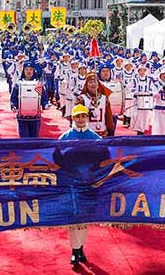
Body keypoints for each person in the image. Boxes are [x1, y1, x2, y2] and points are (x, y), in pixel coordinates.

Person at [58, 104, 101, 266]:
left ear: (88, 118)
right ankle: (74, 250)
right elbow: (57, 159)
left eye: (83, 116)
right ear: (73, 118)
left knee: (84, 218)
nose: (81, 119)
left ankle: (81, 248)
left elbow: (103, 160)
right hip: (71, 183)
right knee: (73, 218)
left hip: (89, 183)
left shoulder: (95, 138)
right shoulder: (65, 137)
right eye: (78, 116)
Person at [10, 61, 48, 138]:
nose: (28, 71)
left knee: (35, 138)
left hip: (35, 117)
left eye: (30, 69)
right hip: (22, 117)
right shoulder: (18, 84)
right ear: (23, 71)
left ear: (33, 71)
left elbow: (44, 98)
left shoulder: (38, 84)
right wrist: (14, 106)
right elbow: (13, 98)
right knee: (24, 138)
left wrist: (45, 105)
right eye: (26, 69)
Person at [76, 72, 114, 137]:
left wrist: (110, 130)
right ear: (86, 85)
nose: (93, 84)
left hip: (102, 132)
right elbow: (77, 117)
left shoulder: (104, 99)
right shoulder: (81, 99)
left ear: (98, 84)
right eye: (90, 82)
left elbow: (108, 116)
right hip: (86, 134)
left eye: (95, 82)